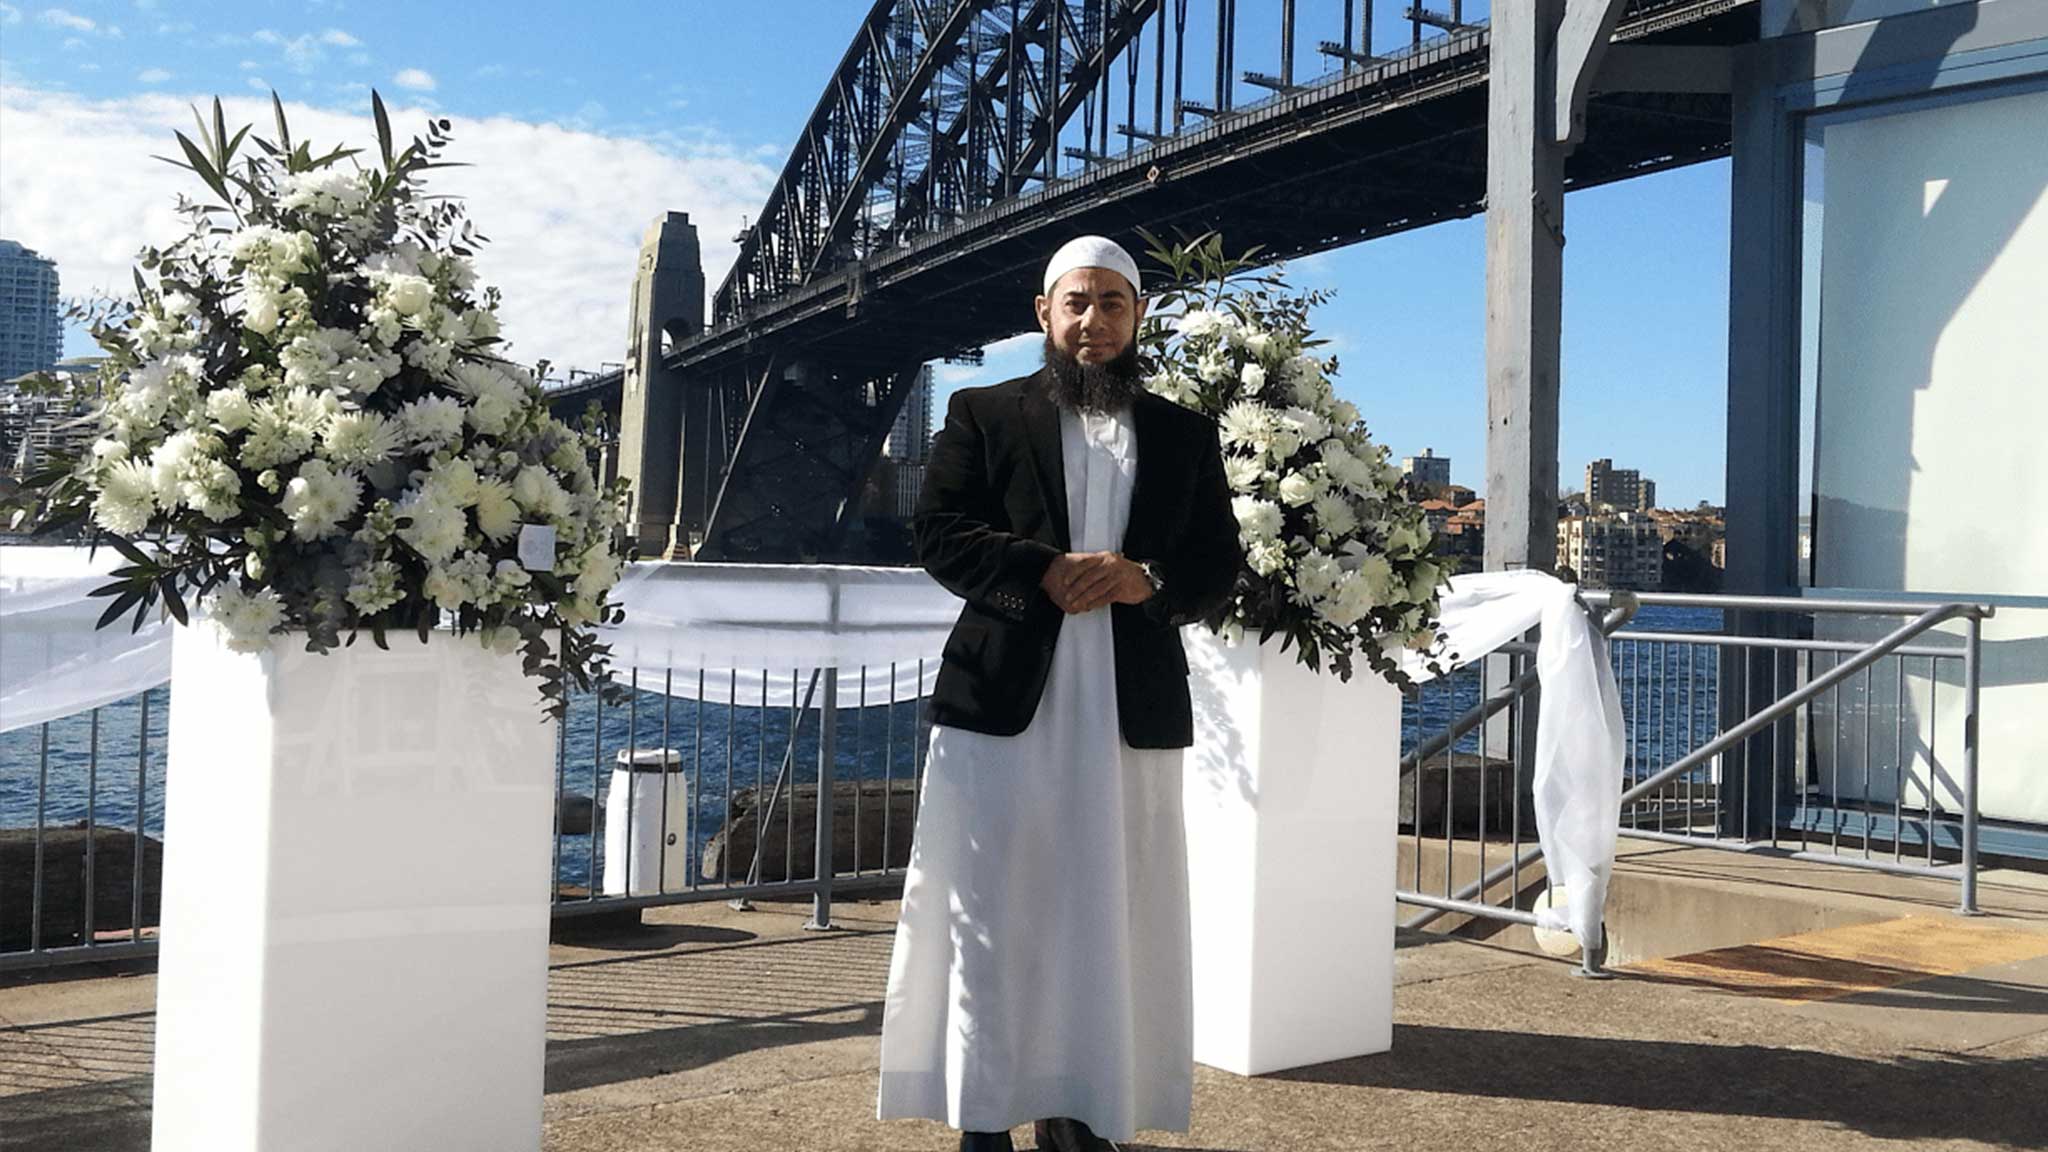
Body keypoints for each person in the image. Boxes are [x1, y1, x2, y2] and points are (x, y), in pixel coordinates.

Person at [876, 236, 1241, 1152]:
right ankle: (983, 1112)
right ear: (1044, 313)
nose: (1094, 320)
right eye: (1077, 302)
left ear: (1138, 317)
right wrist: (1041, 571)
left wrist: (1145, 579)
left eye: (1114, 303)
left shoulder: (1185, 433)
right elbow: (939, 535)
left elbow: (1217, 565)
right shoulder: (982, 412)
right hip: (1004, 703)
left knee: (1110, 913)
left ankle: (1085, 1110)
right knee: (993, 908)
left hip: (1128, 710)